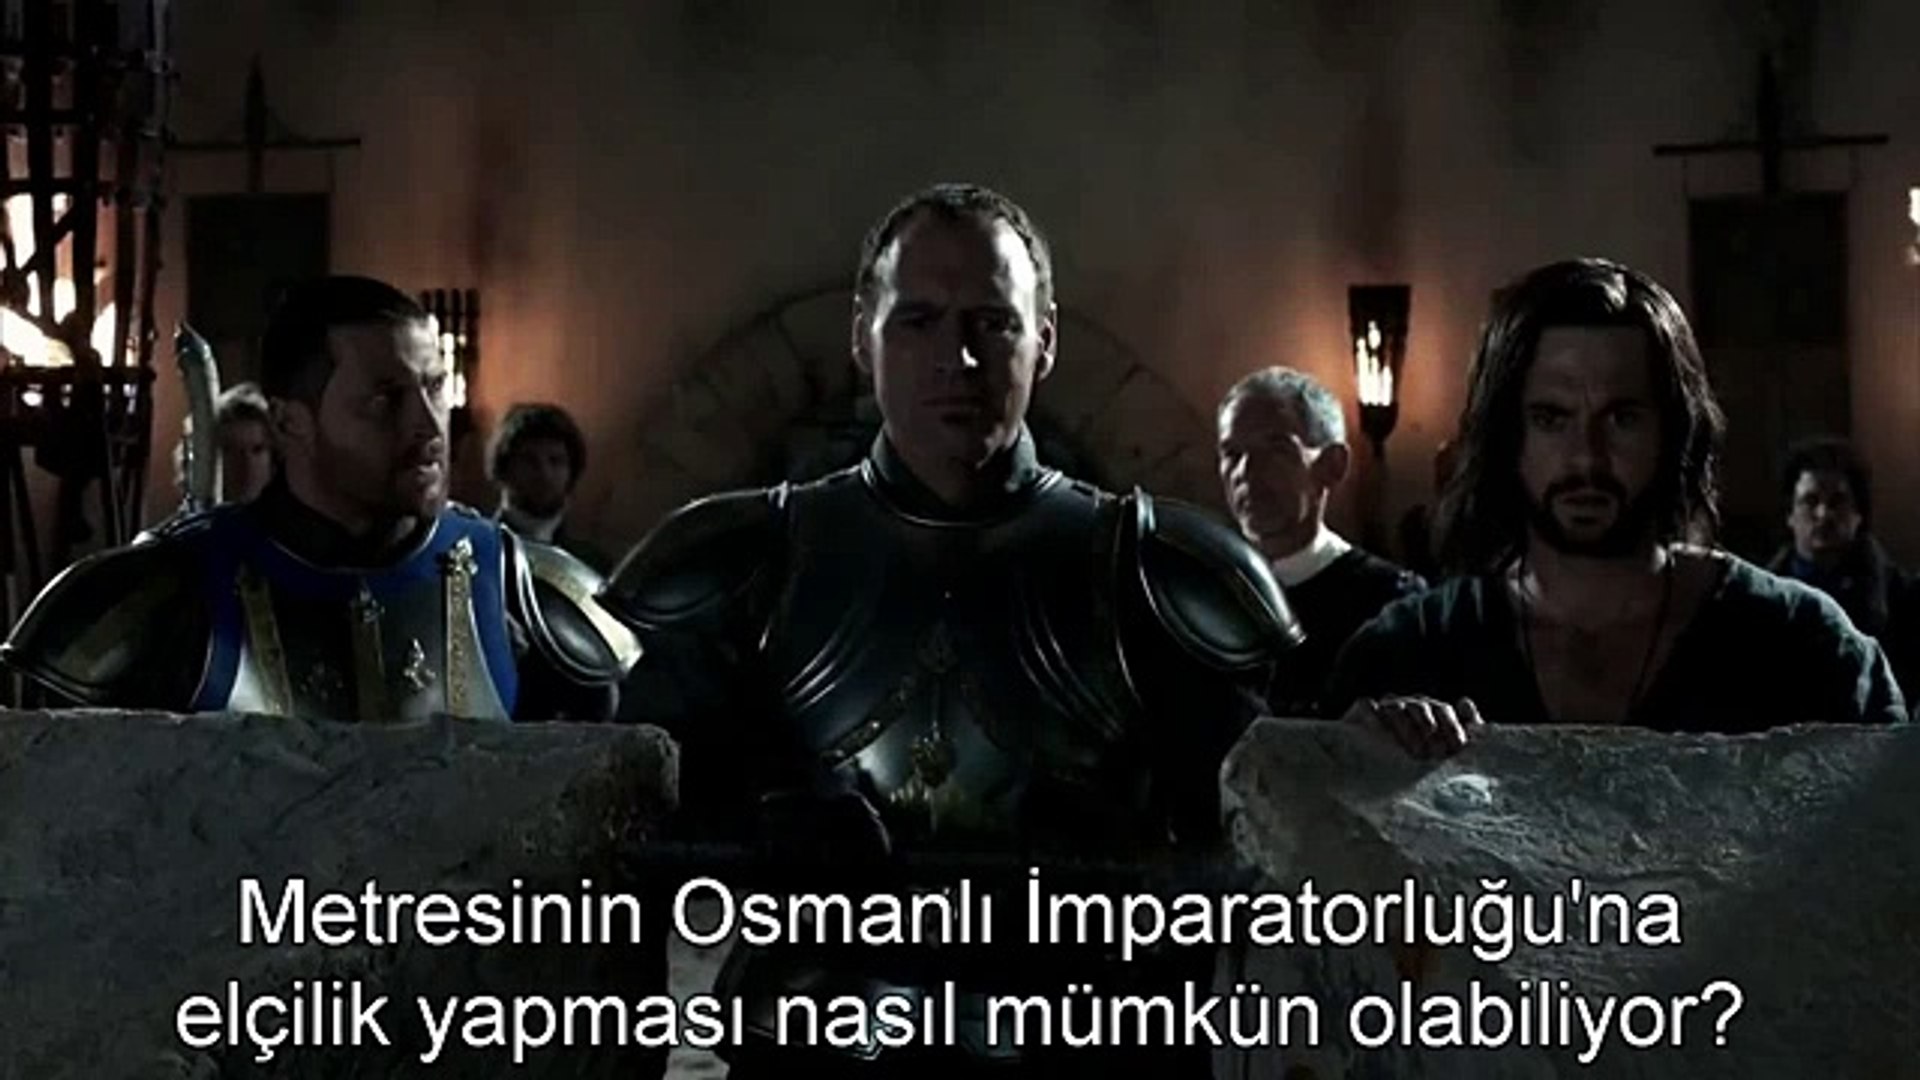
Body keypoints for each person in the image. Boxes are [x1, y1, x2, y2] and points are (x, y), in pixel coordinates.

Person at [603, 183, 1301, 1078]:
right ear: (863, 337)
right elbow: (633, 828)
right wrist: (767, 826)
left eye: (992, 323)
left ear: (1045, 339)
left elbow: (1262, 840)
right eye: (919, 321)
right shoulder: (749, 557)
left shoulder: (1153, 571)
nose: (958, 359)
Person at [1326, 257, 1904, 752]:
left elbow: (1893, 826)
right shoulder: (1408, 655)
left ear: (1673, 433)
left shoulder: (1802, 647)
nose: (1587, 456)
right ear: (1507, 434)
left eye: (1622, 418)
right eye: (1551, 418)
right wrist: (1355, 762)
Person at [2, 276, 637, 723]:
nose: (427, 425)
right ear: (290, 422)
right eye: (385, 399)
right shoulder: (168, 594)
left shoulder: (521, 590)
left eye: (434, 387)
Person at [1217, 366, 1425, 716]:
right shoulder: (1205, 592)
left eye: (1276, 449)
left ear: (1333, 465)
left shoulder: (1389, 601)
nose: (1246, 472)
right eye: (1232, 454)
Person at [1767, 436, 1920, 696]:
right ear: (1790, 515)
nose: (1823, 514)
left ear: (1858, 514)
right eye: (1810, 501)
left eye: (1837, 502)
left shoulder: (1900, 598)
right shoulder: (1761, 598)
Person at [488, 402, 612, 571]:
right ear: (505, 468)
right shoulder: (474, 552)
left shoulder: (591, 565)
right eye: (529, 461)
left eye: (556, 461)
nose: (544, 474)